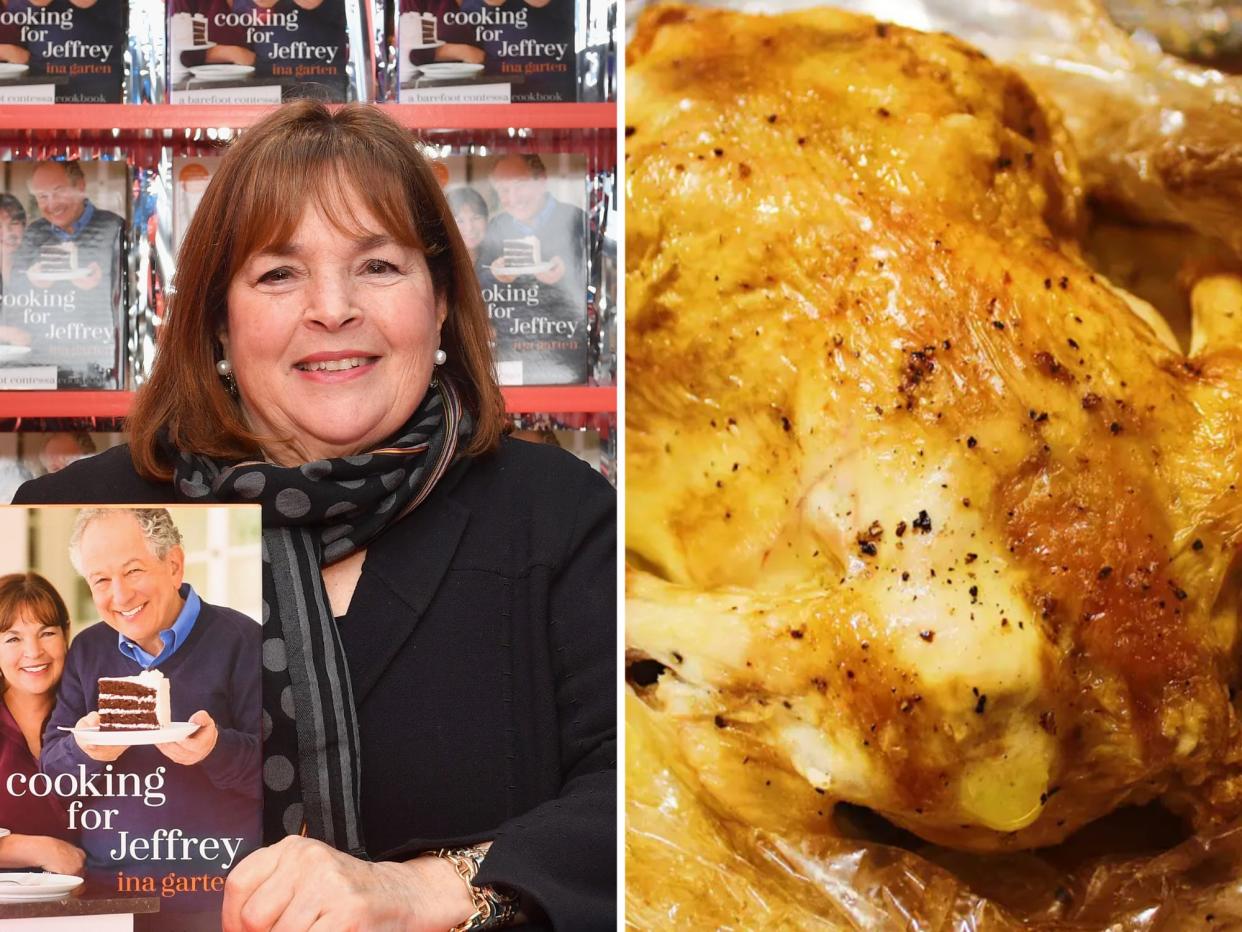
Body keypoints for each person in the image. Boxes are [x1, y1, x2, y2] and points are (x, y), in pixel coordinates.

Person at [15, 100, 616, 930]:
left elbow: (653, 791)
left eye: (378, 266)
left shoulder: (557, 514)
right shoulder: (68, 511)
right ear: (217, 319)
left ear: (440, 299)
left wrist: (429, 891)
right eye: (278, 273)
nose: (332, 308)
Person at [39, 509, 261, 907]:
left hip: (218, 893)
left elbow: (283, 772)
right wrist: (87, 751)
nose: (120, 596)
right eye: (101, 580)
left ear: (173, 564)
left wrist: (215, 750)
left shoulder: (242, 640)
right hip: (109, 893)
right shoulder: (88, 650)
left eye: (133, 570)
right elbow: (54, 774)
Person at [0, 572, 86, 876]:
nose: (34, 651)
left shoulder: (94, 717)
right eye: (13, 638)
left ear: (66, 633)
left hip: (105, 910)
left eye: (47, 633)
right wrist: (37, 849)